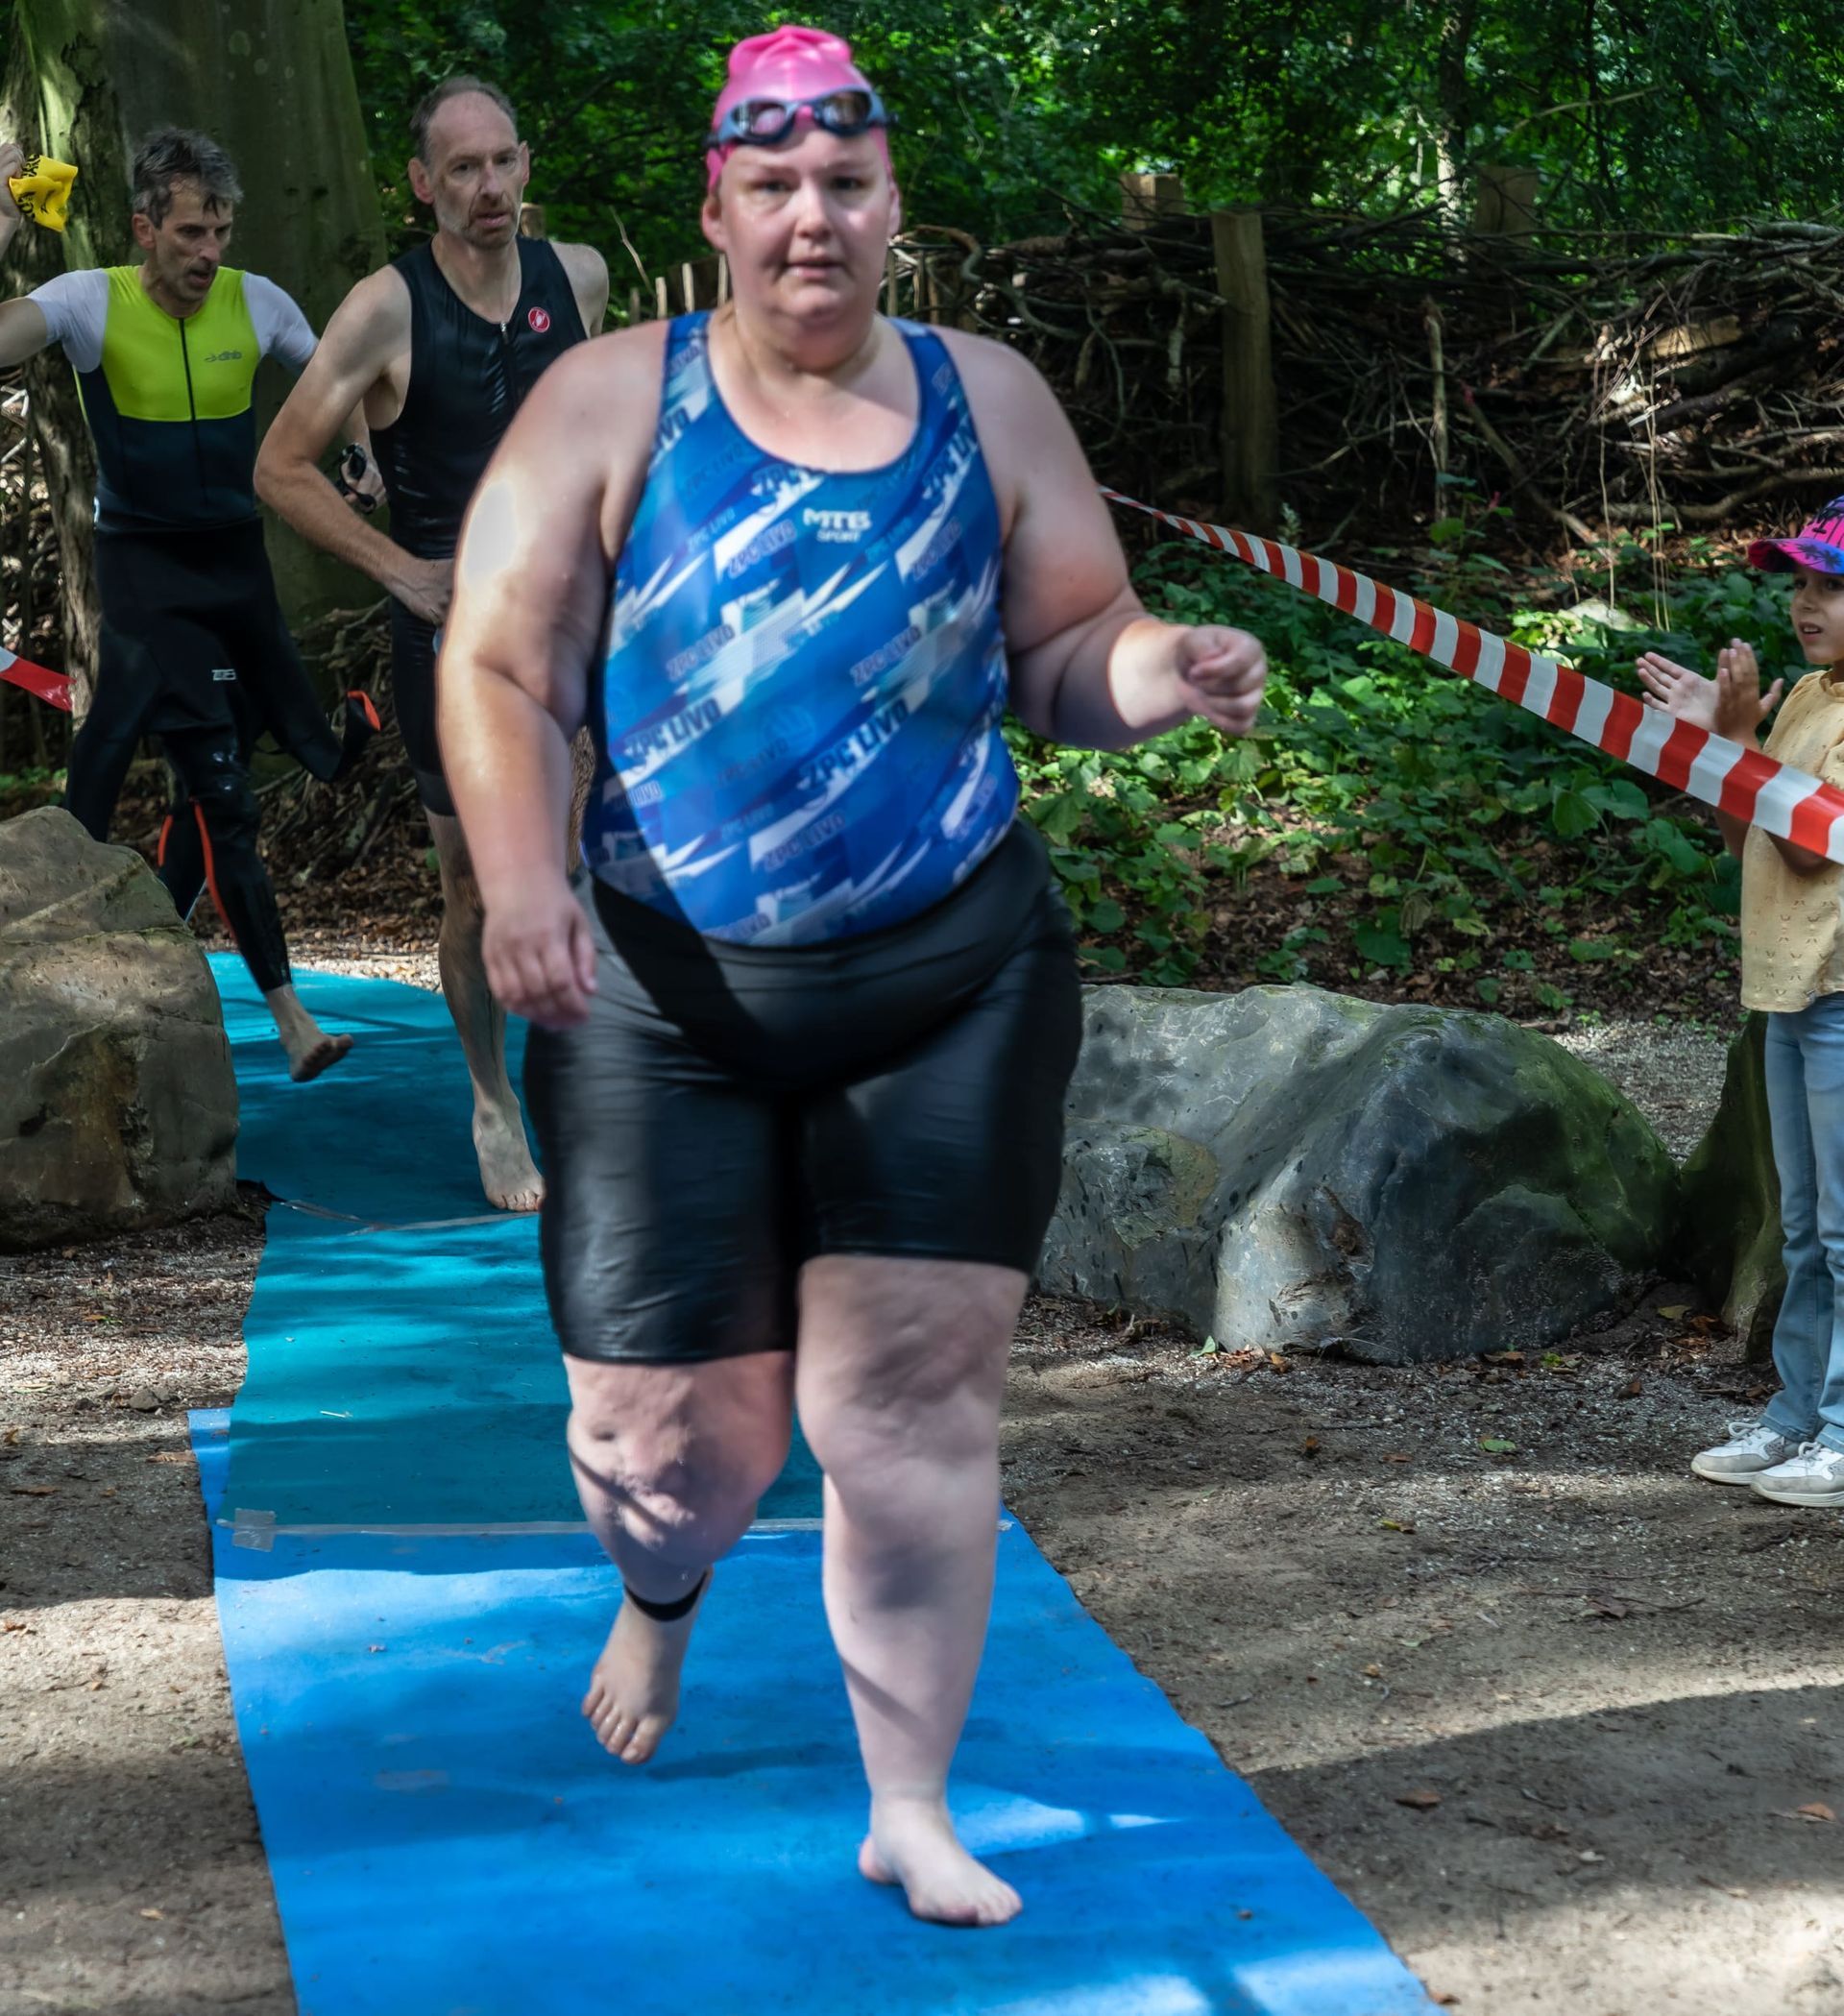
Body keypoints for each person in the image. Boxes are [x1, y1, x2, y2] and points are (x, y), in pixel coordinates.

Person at [436, 26, 1269, 1927]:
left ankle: (912, 1798)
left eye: (849, 185)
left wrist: (1159, 675)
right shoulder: (602, 402)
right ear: (717, 210)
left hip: (950, 973)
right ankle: (662, 1595)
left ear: (894, 205)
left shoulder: (993, 398)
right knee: (675, 1453)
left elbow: (1074, 642)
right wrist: (514, 879)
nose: (815, 217)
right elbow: (499, 661)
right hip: (664, 995)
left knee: (911, 1400)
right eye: (776, 187)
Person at [255, 78, 609, 1209]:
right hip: (450, 644)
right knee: (471, 890)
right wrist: (400, 569)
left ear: (525, 166)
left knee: (562, 870)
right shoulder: (383, 309)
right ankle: (489, 1096)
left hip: (566, 624)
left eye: (502, 161)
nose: (489, 187)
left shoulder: (582, 278)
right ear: (423, 186)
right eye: (462, 169)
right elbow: (280, 465)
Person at [0, 127, 380, 1082]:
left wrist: (369, 448)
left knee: (267, 772)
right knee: (154, 767)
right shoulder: (92, 300)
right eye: (188, 232)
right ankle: (54, 963)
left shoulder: (260, 303)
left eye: (219, 229)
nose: (209, 252)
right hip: (142, 572)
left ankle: (181, 974)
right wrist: (3, 221)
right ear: (144, 228)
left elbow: (358, 372)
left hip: (234, 569)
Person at [1642, 498, 1844, 1511]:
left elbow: (1811, 840)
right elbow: (1745, 838)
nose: (1806, 601)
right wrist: (1727, 744)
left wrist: (1732, 737)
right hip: (1787, 985)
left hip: (1843, 992)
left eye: (1831, 586)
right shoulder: (1807, 694)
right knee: (1801, 1224)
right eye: (1802, 582)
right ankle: (1799, 1413)